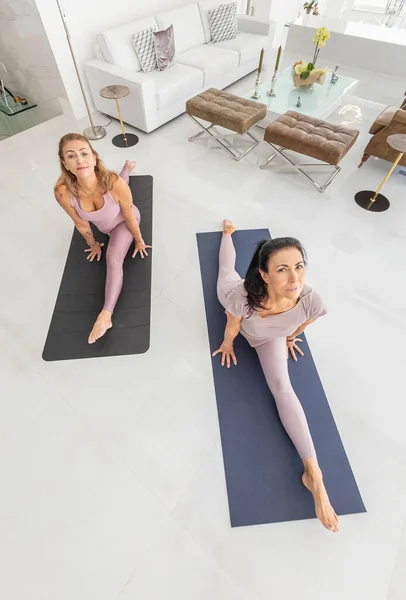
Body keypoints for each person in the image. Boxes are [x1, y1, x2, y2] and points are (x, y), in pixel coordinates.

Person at [213, 219, 339, 533]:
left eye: (299, 266)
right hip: (241, 315)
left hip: (270, 340)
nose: (295, 278)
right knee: (226, 271)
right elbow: (233, 326)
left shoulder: (312, 300)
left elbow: (301, 327)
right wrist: (228, 344)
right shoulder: (241, 297)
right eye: (282, 269)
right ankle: (227, 233)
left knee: (283, 387)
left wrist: (287, 337)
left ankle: (314, 474)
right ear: (265, 275)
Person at [54, 133, 151, 344]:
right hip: (106, 226)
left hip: (125, 221)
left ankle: (105, 315)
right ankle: (127, 168)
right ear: (65, 163)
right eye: (71, 156)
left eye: (84, 153)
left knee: (113, 259)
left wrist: (139, 239)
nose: (79, 160)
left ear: (94, 156)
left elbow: (128, 214)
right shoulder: (63, 192)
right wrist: (94, 244)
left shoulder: (112, 182)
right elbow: (80, 223)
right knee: (118, 184)